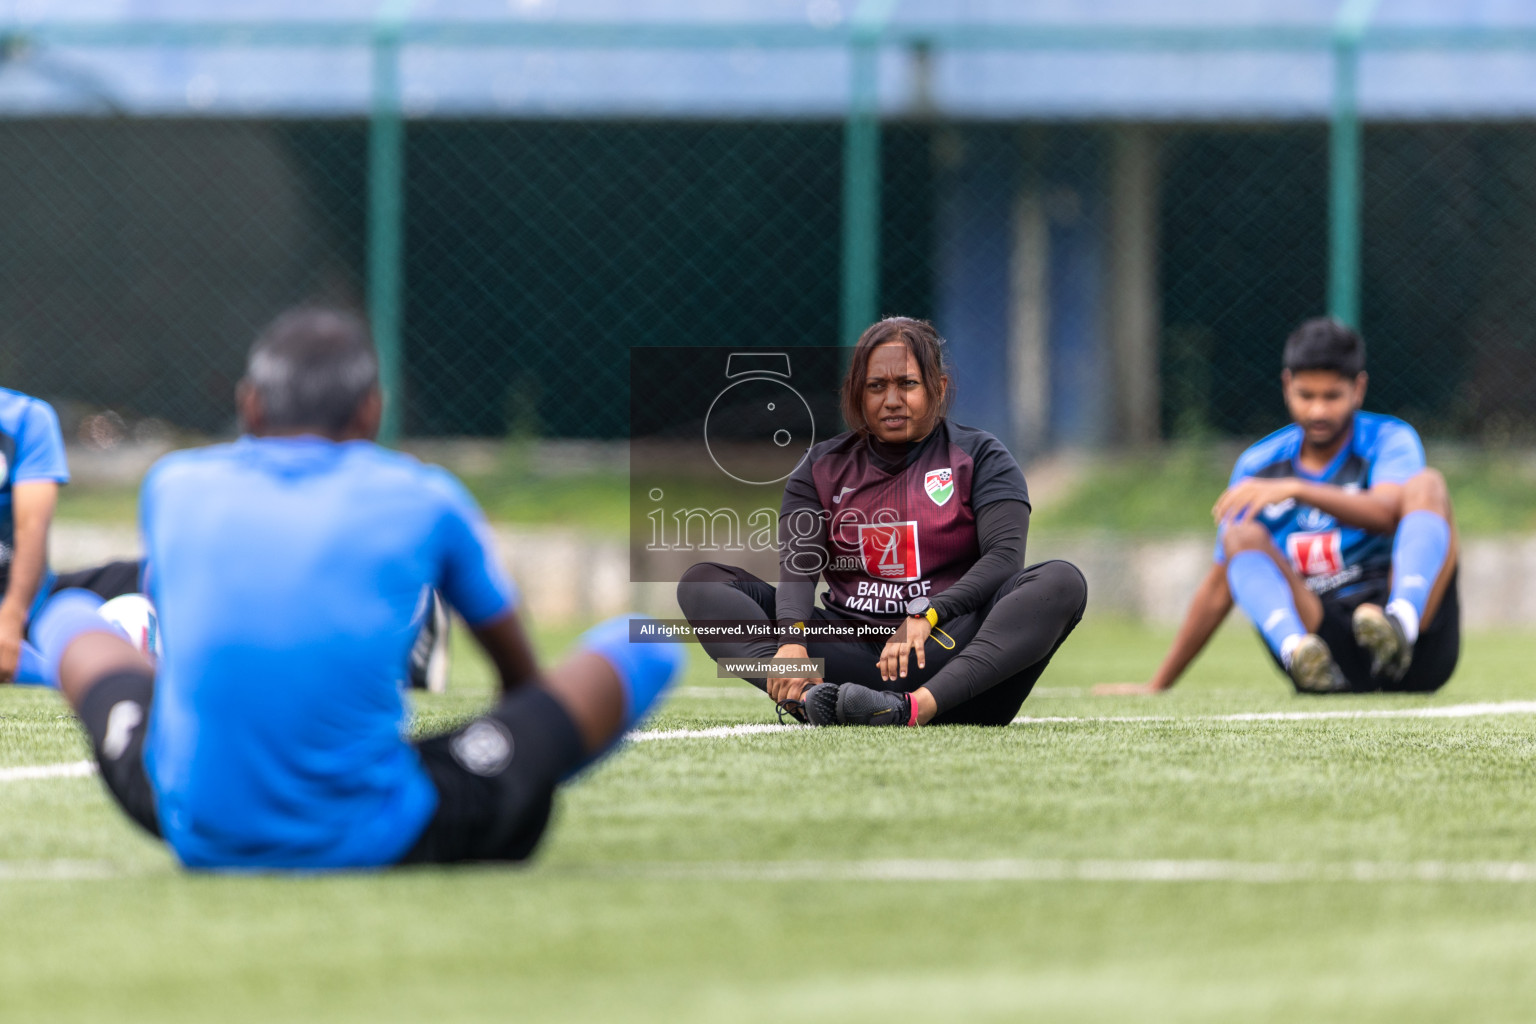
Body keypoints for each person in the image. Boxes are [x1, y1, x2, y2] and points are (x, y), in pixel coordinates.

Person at [34, 306, 681, 870]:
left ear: (249, 403)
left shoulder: (173, 484)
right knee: (646, 641)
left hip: (191, 819)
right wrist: (507, 759)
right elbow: (520, 682)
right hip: (375, 833)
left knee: (65, 614)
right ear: (372, 410)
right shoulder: (423, 495)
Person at [677, 316, 1086, 727]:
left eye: (907, 384)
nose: (891, 400)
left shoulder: (982, 456)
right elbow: (799, 569)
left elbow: (1004, 559)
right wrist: (791, 643)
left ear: (938, 389)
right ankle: (812, 699)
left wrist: (928, 615)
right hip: (844, 656)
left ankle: (913, 709)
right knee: (702, 584)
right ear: (858, 393)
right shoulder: (820, 466)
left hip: (948, 656)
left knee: (1061, 581)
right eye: (876, 386)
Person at [1098, 317, 1458, 696]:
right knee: (1240, 536)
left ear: (1359, 389)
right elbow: (1221, 585)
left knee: (1428, 485)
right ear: (1287, 386)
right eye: (1306, 395)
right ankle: (1296, 651)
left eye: (1332, 396)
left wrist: (1299, 489)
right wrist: (1158, 685)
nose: (1318, 410)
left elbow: (1386, 513)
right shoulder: (1257, 466)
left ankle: (1401, 622)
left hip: (1418, 656)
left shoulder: (1390, 439)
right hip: (1330, 653)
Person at [0, 385, 70, 684]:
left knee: (139, 574)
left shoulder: (26, 417)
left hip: (18, 592)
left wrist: (11, 618)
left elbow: (32, 527)